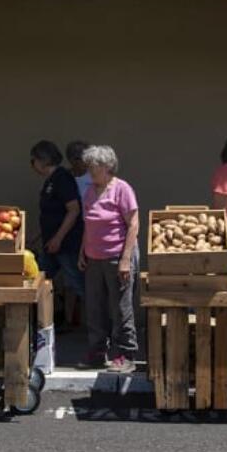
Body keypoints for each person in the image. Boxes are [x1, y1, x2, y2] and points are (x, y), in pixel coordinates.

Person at [78, 145, 138, 374]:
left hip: (115, 257)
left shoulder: (122, 189)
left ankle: (125, 354)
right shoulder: (90, 191)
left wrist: (125, 259)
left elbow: (134, 224)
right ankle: (96, 352)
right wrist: (82, 251)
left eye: (94, 167)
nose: (90, 172)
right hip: (93, 258)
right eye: (89, 167)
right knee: (94, 308)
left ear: (107, 167)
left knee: (120, 308)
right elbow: (88, 223)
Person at [30, 140, 85, 330]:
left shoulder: (62, 179)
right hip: (51, 245)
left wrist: (58, 238)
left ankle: (103, 327)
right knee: (41, 280)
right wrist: (35, 238)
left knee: (79, 284)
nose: (32, 165)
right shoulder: (50, 181)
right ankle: (42, 323)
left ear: (43, 160)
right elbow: (49, 216)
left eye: (34, 160)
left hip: (66, 244)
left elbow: (74, 209)